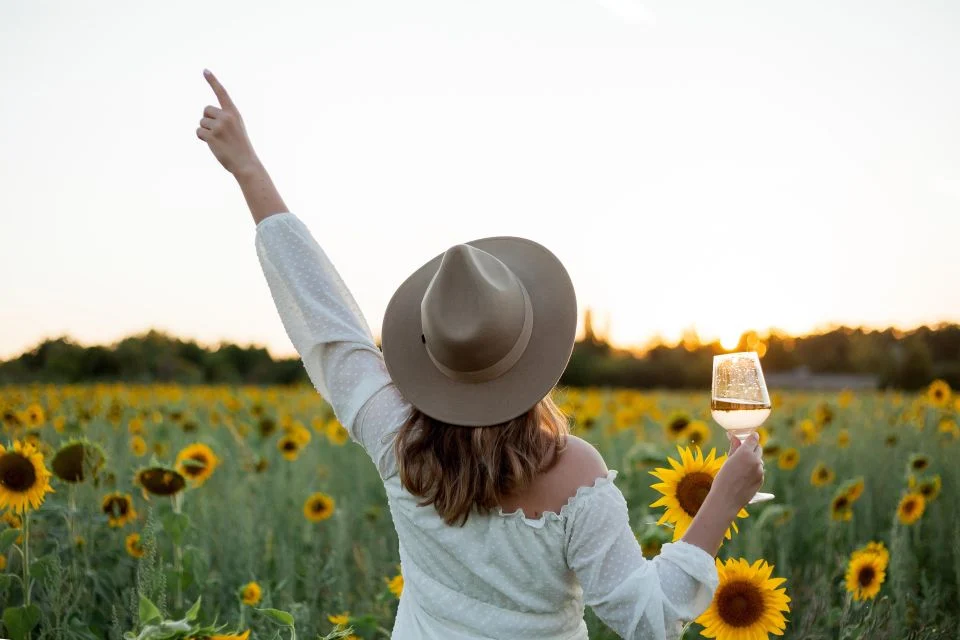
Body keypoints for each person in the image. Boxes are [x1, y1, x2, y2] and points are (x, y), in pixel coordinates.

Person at [195, 68, 765, 640]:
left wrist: (248, 169)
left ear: (429, 352)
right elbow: (646, 619)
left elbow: (325, 320)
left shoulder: (398, 440)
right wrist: (724, 499)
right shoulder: (575, 476)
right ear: (538, 348)